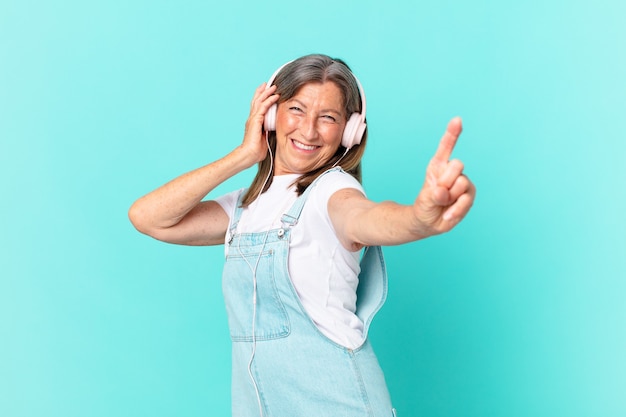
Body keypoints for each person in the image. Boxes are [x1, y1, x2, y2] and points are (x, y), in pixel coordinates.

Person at [129, 53, 475, 417]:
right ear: (271, 115)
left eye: (328, 117)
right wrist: (244, 155)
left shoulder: (332, 191)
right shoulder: (243, 209)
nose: (309, 131)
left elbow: (365, 217)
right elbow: (148, 217)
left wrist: (418, 218)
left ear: (349, 131)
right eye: (296, 109)